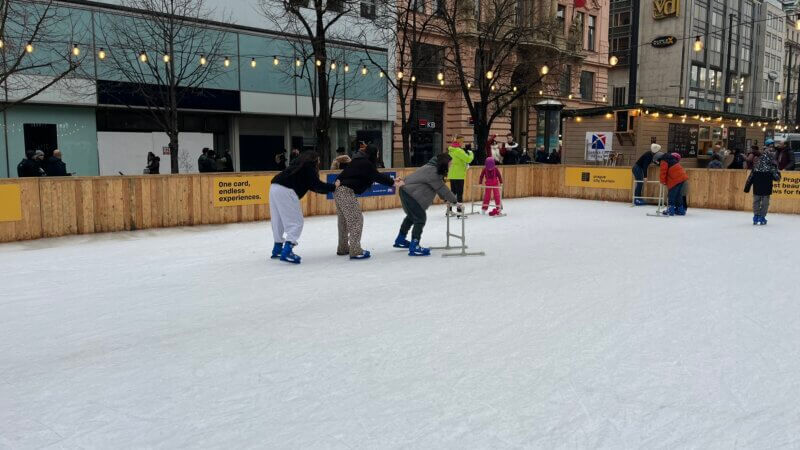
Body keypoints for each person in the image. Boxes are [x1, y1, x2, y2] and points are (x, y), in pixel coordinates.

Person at [269, 150, 337, 264]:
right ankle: (287, 250)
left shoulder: (296, 165)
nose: (319, 162)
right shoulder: (309, 166)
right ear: (314, 159)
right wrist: (333, 187)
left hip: (274, 187)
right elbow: (316, 185)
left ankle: (278, 247)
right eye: (319, 159)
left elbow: (312, 185)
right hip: (287, 190)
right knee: (296, 222)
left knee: (278, 219)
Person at [335, 145, 400, 260]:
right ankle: (355, 250)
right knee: (356, 220)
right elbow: (377, 176)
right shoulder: (365, 163)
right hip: (346, 191)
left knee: (344, 221)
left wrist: (392, 181)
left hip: (339, 191)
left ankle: (343, 247)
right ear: (373, 154)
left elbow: (343, 175)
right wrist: (393, 183)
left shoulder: (358, 161)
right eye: (378, 153)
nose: (378, 155)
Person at [394, 153, 459, 256]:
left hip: (407, 192)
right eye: (449, 164)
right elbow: (441, 188)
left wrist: (445, 199)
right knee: (420, 218)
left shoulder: (431, 167)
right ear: (444, 163)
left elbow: (437, 187)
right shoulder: (433, 171)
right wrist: (454, 201)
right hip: (411, 194)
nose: (450, 166)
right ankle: (415, 245)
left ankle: (400, 239)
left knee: (411, 216)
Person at [745, 147, 781, 225]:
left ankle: (756, 216)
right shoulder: (771, 166)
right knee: (765, 202)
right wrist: (777, 173)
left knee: (756, 201)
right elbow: (777, 178)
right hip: (766, 187)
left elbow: (750, 178)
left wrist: (747, 188)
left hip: (757, 187)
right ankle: (762, 217)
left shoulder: (756, 166)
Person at [658, 152, 689, 216]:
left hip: (675, 179)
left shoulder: (664, 161)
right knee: (678, 195)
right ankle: (681, 210)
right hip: (682, 178)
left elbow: (663, 172)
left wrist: (662, 181)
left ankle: (670, 210)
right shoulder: (672, 160)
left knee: (671, 195)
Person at [447, 137, 473, 204]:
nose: (462, 143)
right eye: (462, 141)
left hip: (452, 174)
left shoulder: (451, 150)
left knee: (453, 192)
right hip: (459, 175)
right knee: (459, 193)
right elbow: (468, 159)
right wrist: (471, 153)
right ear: (459, 142)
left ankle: (449, 210)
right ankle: (459, 211)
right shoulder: (459, 151)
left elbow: (457, 160)